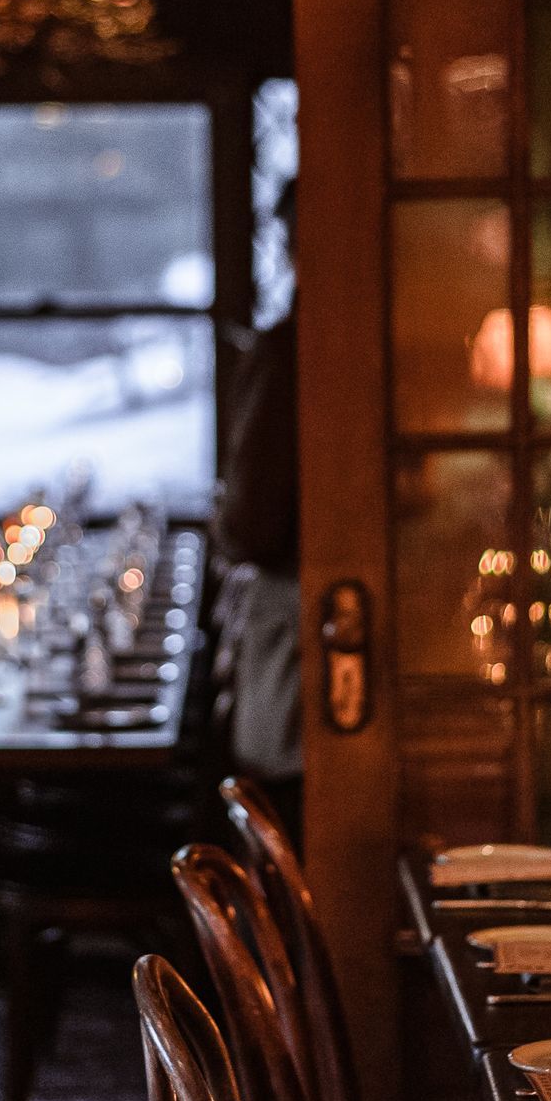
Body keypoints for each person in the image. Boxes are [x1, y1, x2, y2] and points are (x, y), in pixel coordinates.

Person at [213, 182, 301, 844]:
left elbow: (253, 526)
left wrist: (223, 518)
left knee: (286, 834)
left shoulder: (289, 354)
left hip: (303, 648)